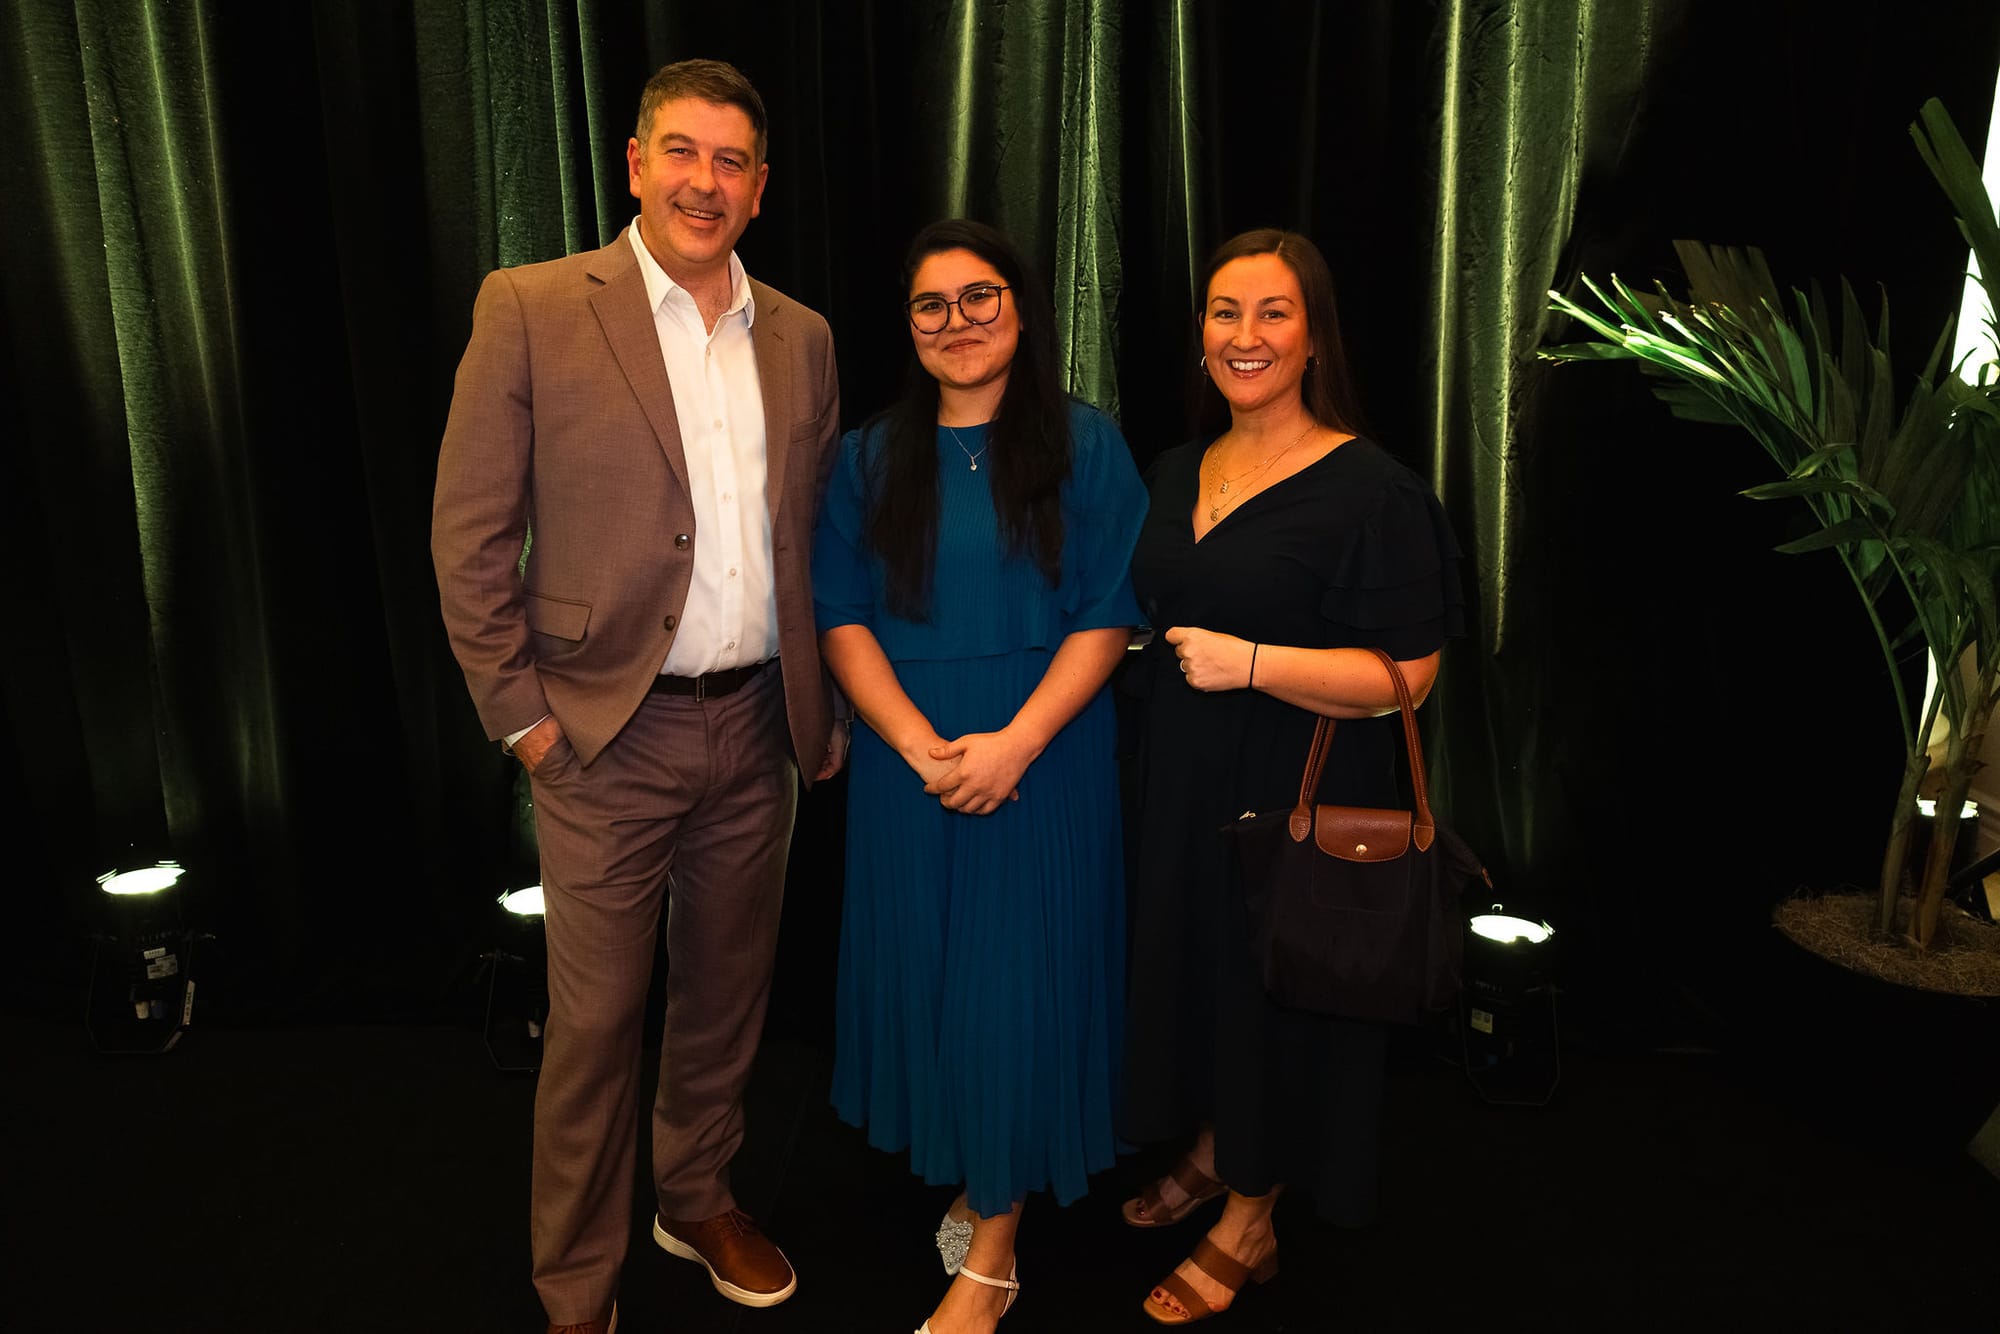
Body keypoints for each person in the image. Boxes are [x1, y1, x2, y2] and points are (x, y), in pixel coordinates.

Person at [431, 59, 843, 1334]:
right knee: (596, 1025)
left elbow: (814, 539)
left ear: (760, 187)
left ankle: (695, 1196)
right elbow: (468, 534)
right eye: (681, 152)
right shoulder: (531, 305)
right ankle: (576, 1288)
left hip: (758, 729)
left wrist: (818, 709)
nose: (702, 182)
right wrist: (523, 719)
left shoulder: (802, 335)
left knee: (725, 997)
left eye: (730, 162)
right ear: (633, 164)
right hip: (602, 733)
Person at [1118, 229, 1464, 1325]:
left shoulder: (1373, 491)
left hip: (1296, 791)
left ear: (1314, 338)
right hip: (1181, 783)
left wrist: (1252, 661)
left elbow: (1410, 677)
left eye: (1273, 312)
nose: (1246, 335)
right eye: (1225, 312)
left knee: (1271, 990)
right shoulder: (1176, 468)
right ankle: (1220, 1146)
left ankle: (1251, 1217)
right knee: (1202, 978)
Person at [811, 219, 1147, 1334]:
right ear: (908, 327)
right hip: (910, 762)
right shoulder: (867, 457)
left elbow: (1107, 614)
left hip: (1043, 760)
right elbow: (839, 614)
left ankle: (994, 1253)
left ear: (1021, 308)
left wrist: (1014, 745)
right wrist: (919, 746)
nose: (956, 321)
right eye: (931, 304)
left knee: (1014, 990)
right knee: (937, 978)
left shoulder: (1086, 443)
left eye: (979, 297)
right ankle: (981, 1168)